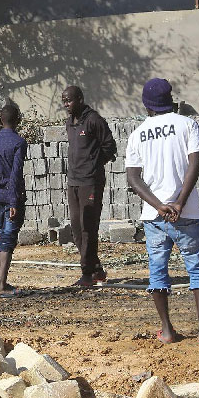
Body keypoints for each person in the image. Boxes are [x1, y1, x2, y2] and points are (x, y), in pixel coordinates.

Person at [125, 78, 199, 344]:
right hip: (187, 212)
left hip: (154, 217)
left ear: (146, 105)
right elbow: (195, 164)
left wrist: (159, 205)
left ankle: (167, 330)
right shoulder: (187, 124)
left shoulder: (137, 134)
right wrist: (179, 201)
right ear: (172, 100)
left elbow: (134, 179)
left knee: (158, 272)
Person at [62, 85, 116, 287]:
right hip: (74, 181)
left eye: (70, 100)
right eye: (64, 101)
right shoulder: (70, 123)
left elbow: (110, 147)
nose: (67, 104)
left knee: (88, 227)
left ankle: (87, 274)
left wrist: (94, 164)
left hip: (90, 182)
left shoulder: (94, 120)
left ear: (80, 99)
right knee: (76, 228)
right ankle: (97, 269)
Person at [0, 102, 27, 296]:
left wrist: (0, 181)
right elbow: (16, 173)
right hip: (11, 198)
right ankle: (1, 286)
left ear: (0, 120)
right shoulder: (19, 142)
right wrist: (14, 200)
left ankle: (0, 283)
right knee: (7, 240)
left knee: (3, 238)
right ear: (18, 120)